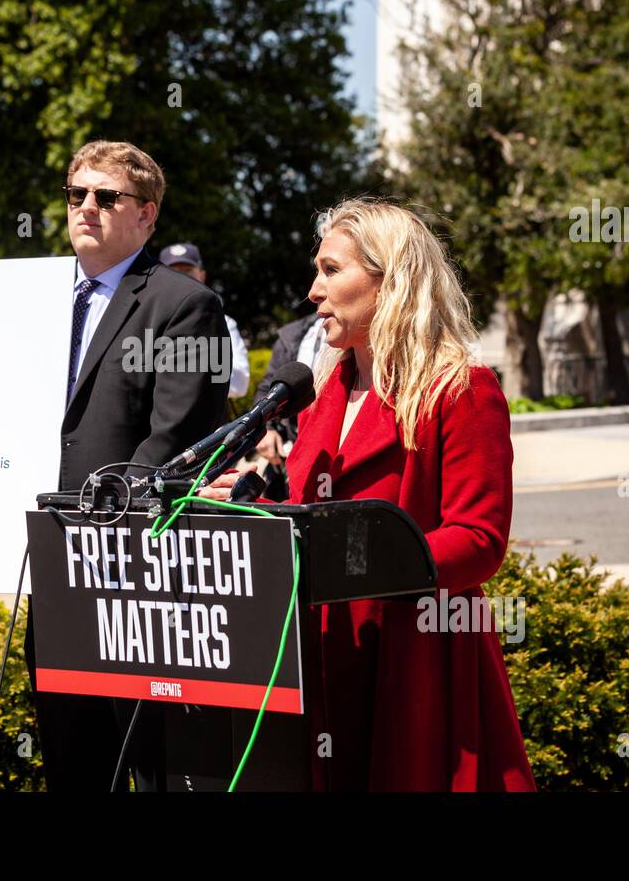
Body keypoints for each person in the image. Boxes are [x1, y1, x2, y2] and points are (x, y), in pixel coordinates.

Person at [200, 200, 536, 791]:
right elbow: (317, 519)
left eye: (331, 270)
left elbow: (480, 540)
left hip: (417, 660)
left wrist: (360, 563)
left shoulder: (461, 388)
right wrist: (257, 517)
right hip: (322, 651)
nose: (312, 291)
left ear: (390, 281)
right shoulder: (324, 392)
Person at [31, 140, 230, 792]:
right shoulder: (32, 300)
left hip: (131, 572)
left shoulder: (183, 305)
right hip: (48, 562)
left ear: (146, 216)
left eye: (105, 196)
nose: (85, 208)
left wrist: (102, 511)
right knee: (69, 762)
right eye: (75, 194)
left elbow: (176, 441)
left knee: (142, 764)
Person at [156, 243, 250, 398]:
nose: (181, 279)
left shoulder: (224, 322)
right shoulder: (146, 319)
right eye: (172, 272)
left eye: (188, 271)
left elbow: (240, 383)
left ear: (202, 276)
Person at [251, 311, 324, 499]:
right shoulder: (293, 335)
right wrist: (266, 428)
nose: (316, 292)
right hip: (291, 454)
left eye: (330, 278)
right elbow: (268, 388)